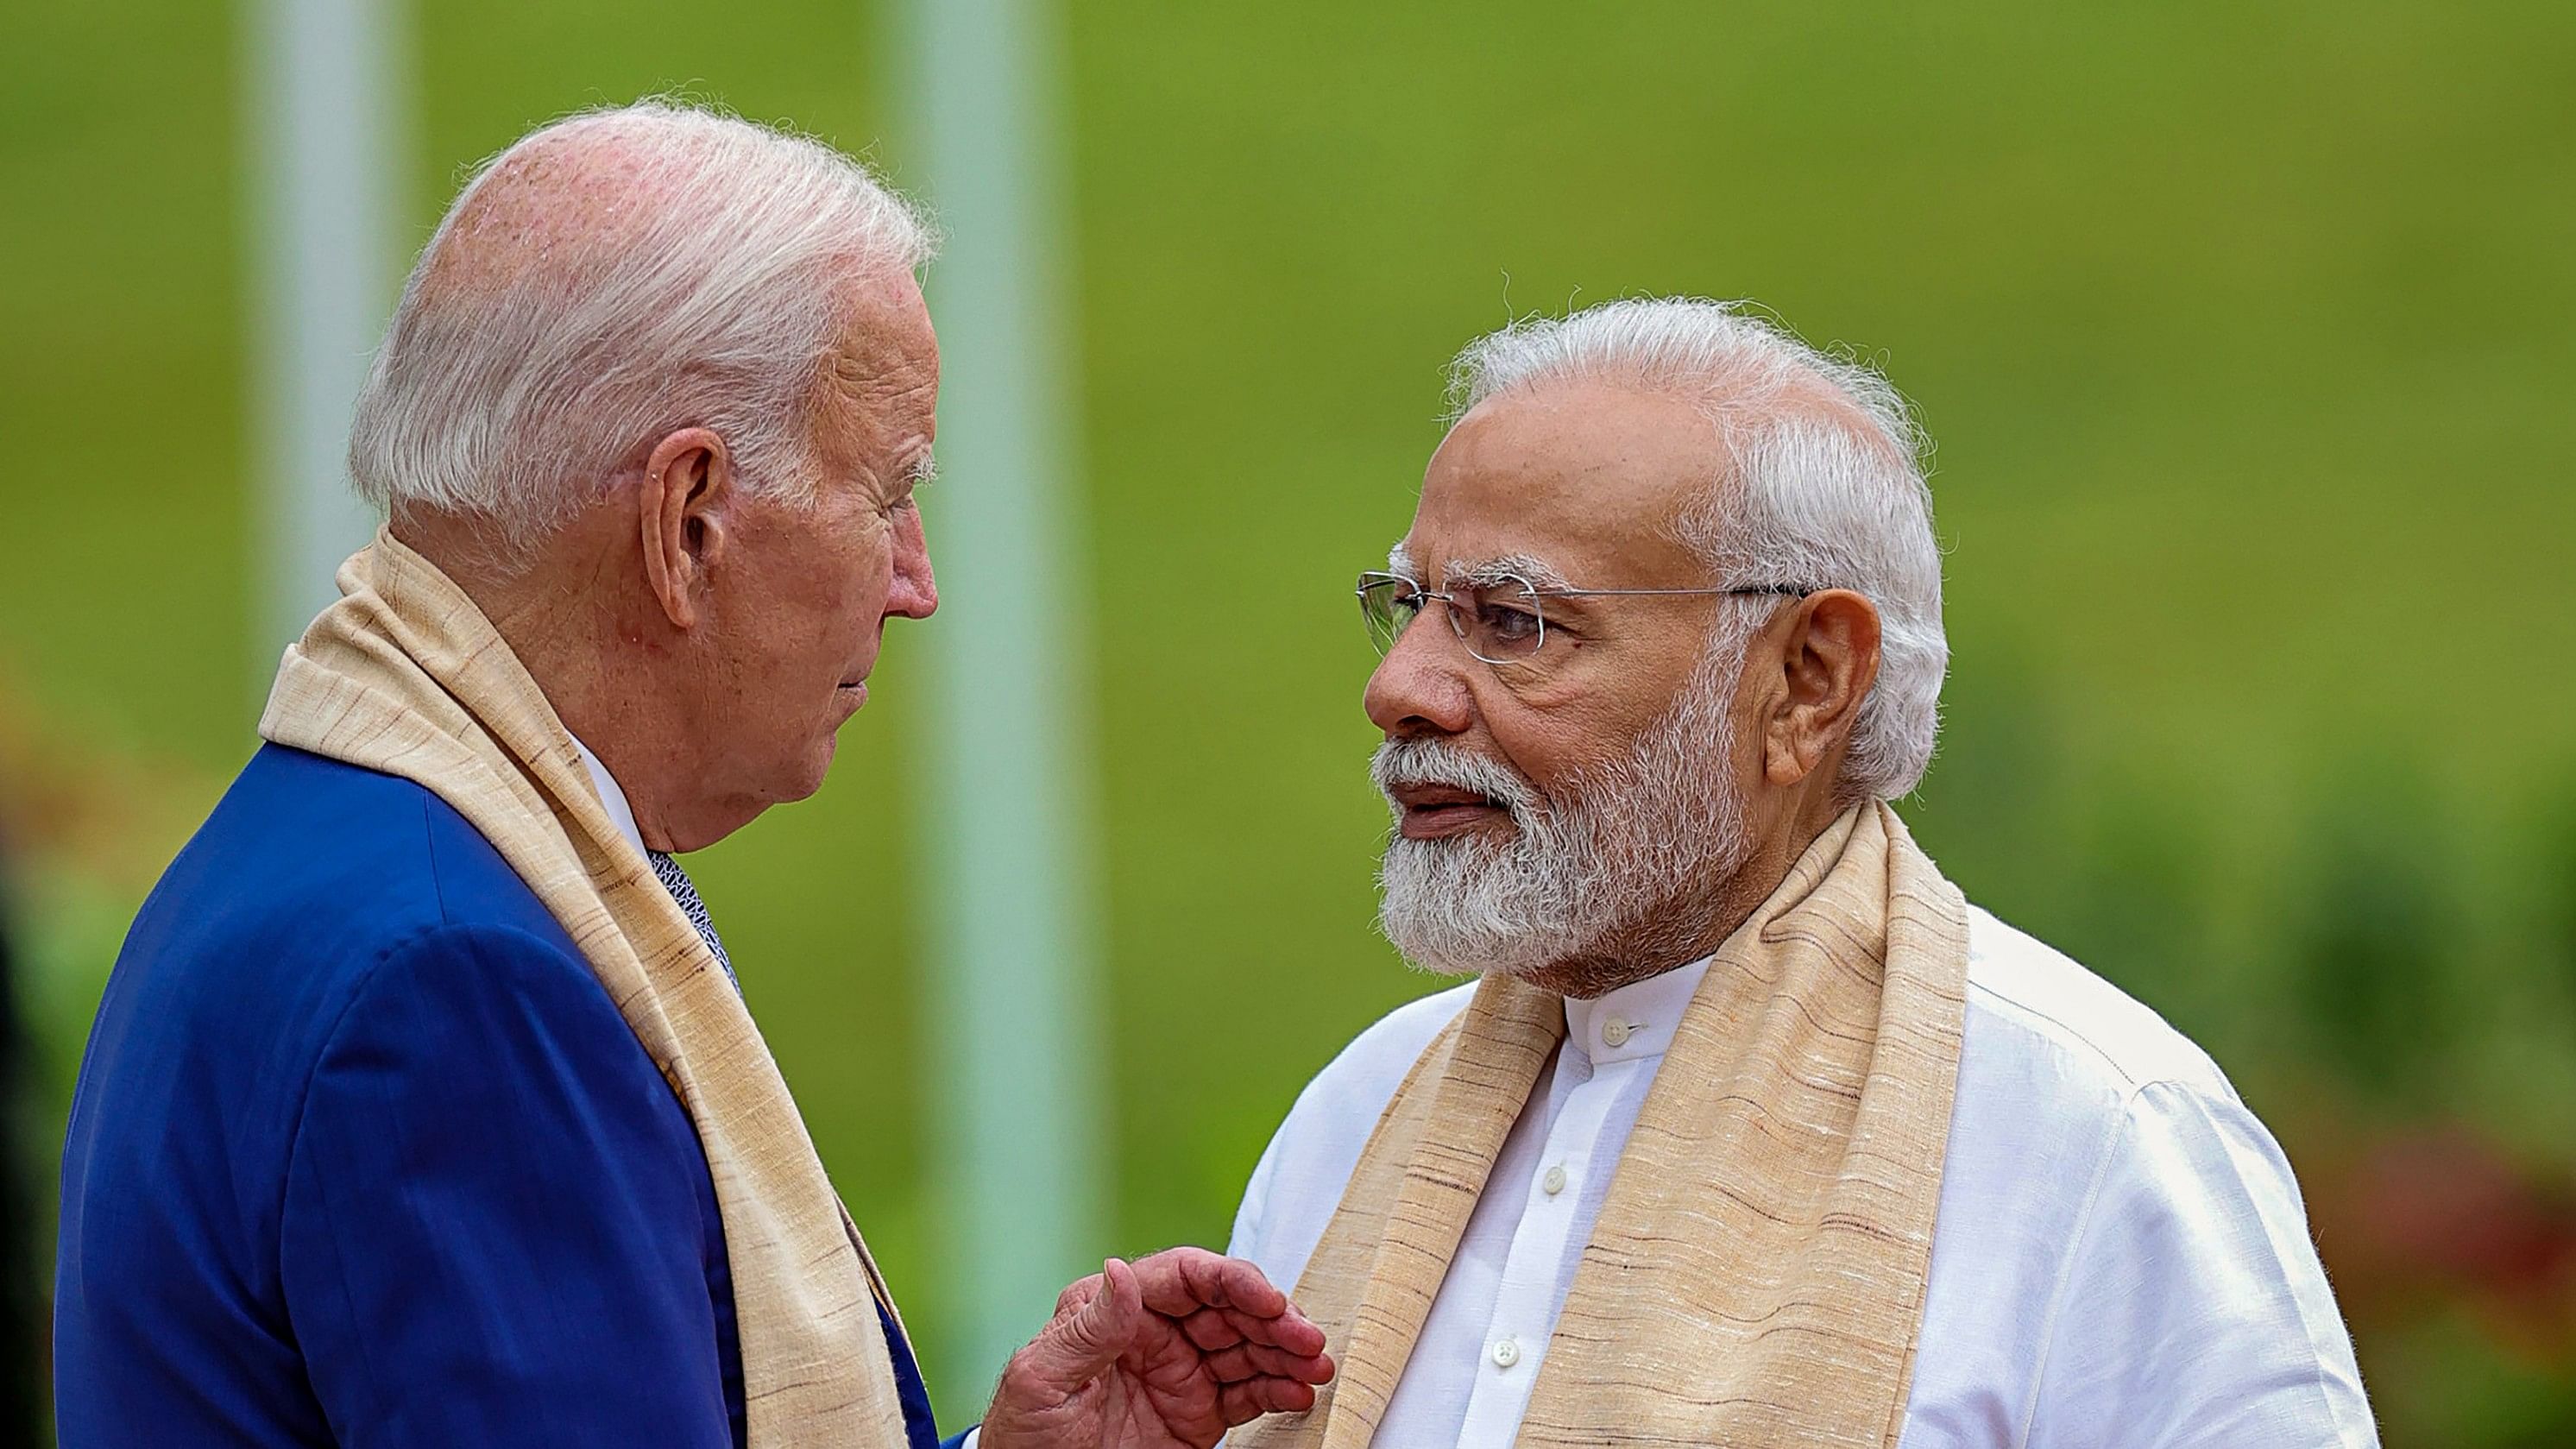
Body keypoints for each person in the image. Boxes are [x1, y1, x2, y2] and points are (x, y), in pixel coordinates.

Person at [54, 101, 1329, 1449]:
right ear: (689, 519)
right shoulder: (454, 976)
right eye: (888, 494)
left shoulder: (328, 840)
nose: (917, 584)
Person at [1226, 298, 2378, 1447]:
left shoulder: (2090, 1139)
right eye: (1411, 606)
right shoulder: (1362, 1110)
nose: (1401, 690)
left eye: (1514, 621)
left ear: (1806, 680)